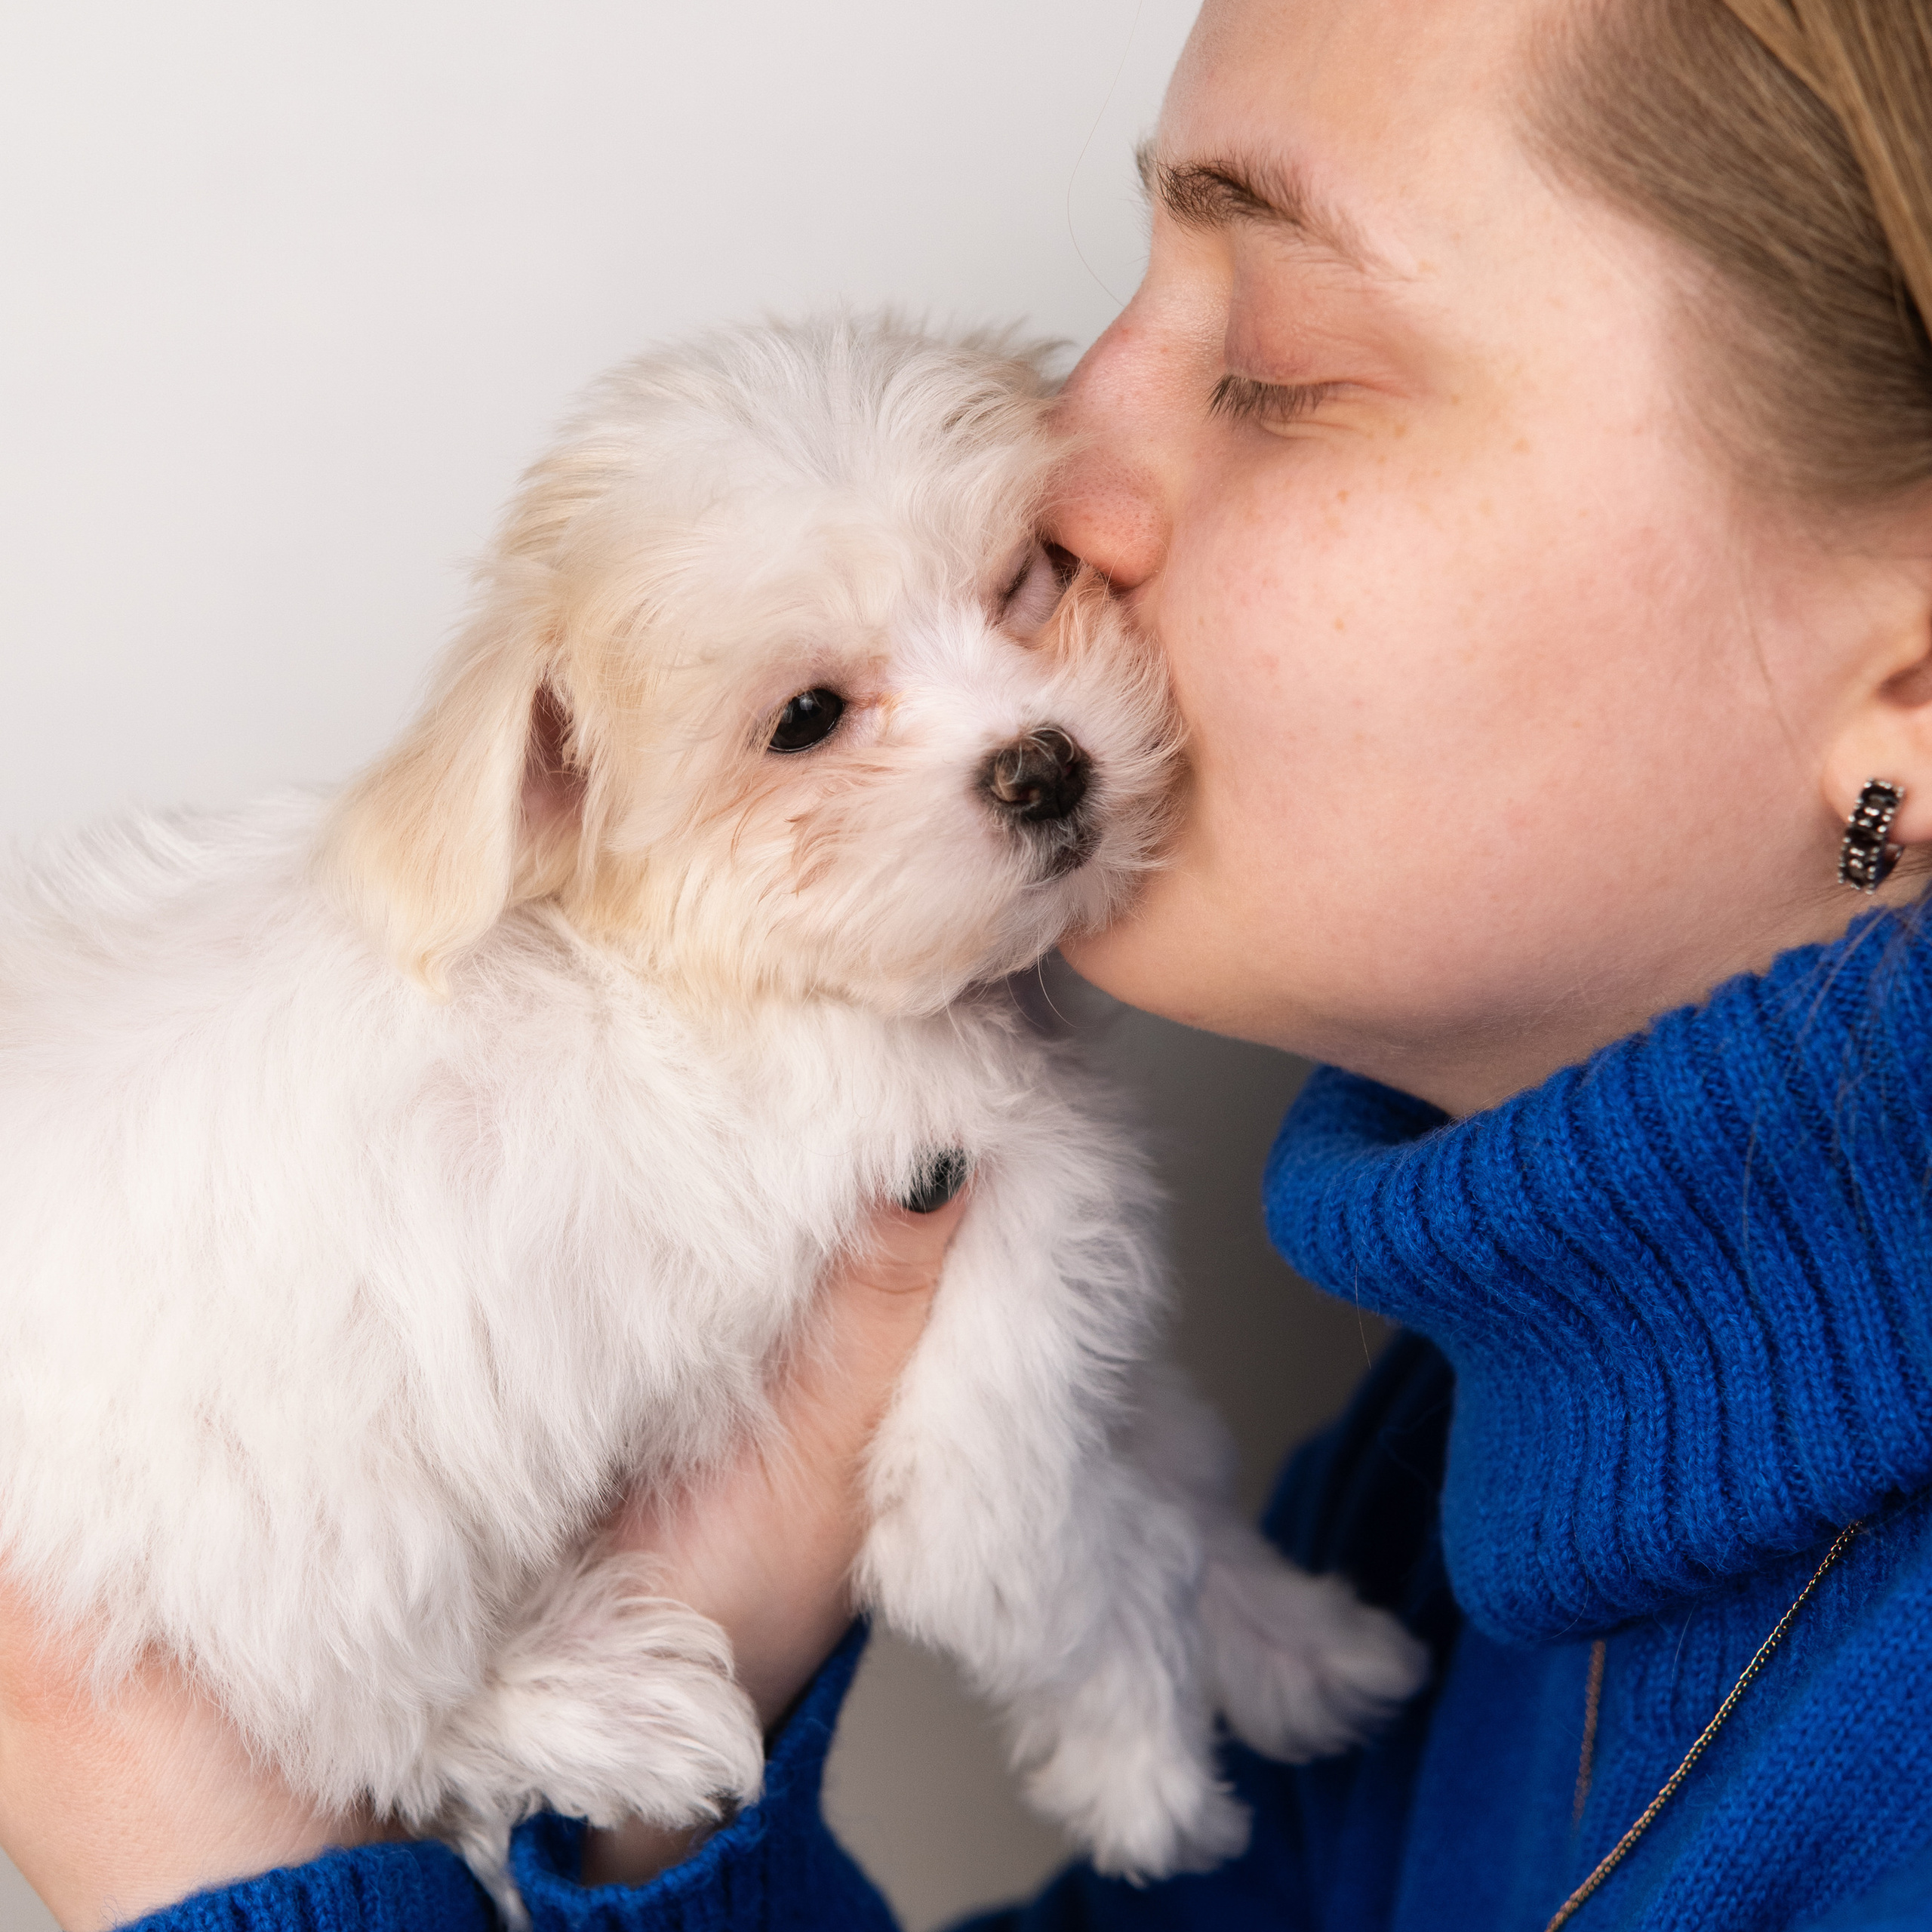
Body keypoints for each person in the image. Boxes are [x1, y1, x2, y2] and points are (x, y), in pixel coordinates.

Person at [6, 0, 1932, 1923]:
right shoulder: (1488, 1454)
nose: (1065, 465)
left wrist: (220, 1877)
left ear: (1909, 700)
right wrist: (674, 1753)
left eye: (1274, 360)